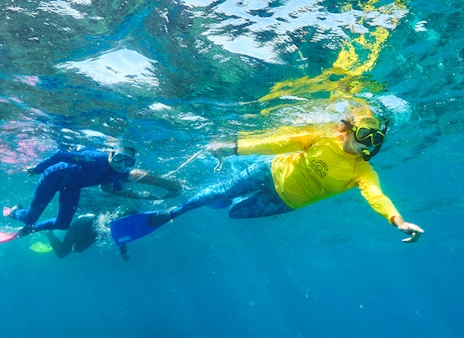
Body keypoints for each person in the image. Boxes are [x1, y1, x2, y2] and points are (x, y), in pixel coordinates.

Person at [134, 113, 424, 243]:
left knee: (235, 212)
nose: (367, 144)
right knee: (218, 194)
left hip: (286, 201)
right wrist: (234, 147)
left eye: (375, 141)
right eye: (364, 135)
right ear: (349, 130)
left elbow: (376, 195)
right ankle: (174, 211)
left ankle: (227, 195)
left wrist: (398, 220)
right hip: (269, 169)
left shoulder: (362, 170)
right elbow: (278, 141)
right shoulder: (321, 138)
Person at [4, 145, 181, 236]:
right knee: (29, 218)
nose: (122, 164)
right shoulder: (95, 159)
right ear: (111, 154)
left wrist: (120, 186)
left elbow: (116, 183)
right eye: (119, 158)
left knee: (63, 225)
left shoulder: (121, 172)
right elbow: (60, 154)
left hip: (72, 187)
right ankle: (14, 212)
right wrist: (37, 169)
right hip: (52, 178)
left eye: (128, 161)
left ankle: (33, 230)